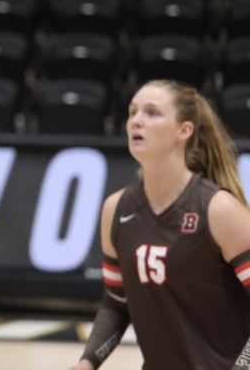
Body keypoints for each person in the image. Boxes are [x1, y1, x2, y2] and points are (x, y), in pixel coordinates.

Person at [70, 81, 250, 370]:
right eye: (132, 112)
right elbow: (116, 305)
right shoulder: (115, 209)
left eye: (152, 113)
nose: (136, 121)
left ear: (184, 131)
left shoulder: (218, 209)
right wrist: (87, 362)